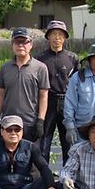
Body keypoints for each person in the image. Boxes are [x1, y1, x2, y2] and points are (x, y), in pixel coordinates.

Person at [0, 27, 49, 144]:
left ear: (31, 44)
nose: (20, 45)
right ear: (12, 45)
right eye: (17, 42)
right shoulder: (5, 68)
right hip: (8, 122)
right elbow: (1, 95)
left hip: (30, 122)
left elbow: (43, 96)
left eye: (24, 42)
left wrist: (40, 120)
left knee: (30, 154)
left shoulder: (40, 68)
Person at [35, 20, 79, 165]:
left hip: (67, 102)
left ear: (65, 37)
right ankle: (43, 174)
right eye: (54, 34)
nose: (57, 37)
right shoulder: (40, 58)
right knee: (44, 140)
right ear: (48, 36)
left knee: (68, 140)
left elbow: (77, 83)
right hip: (47, 101)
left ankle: (69, 173)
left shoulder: (72, 58)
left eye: (60, 34)